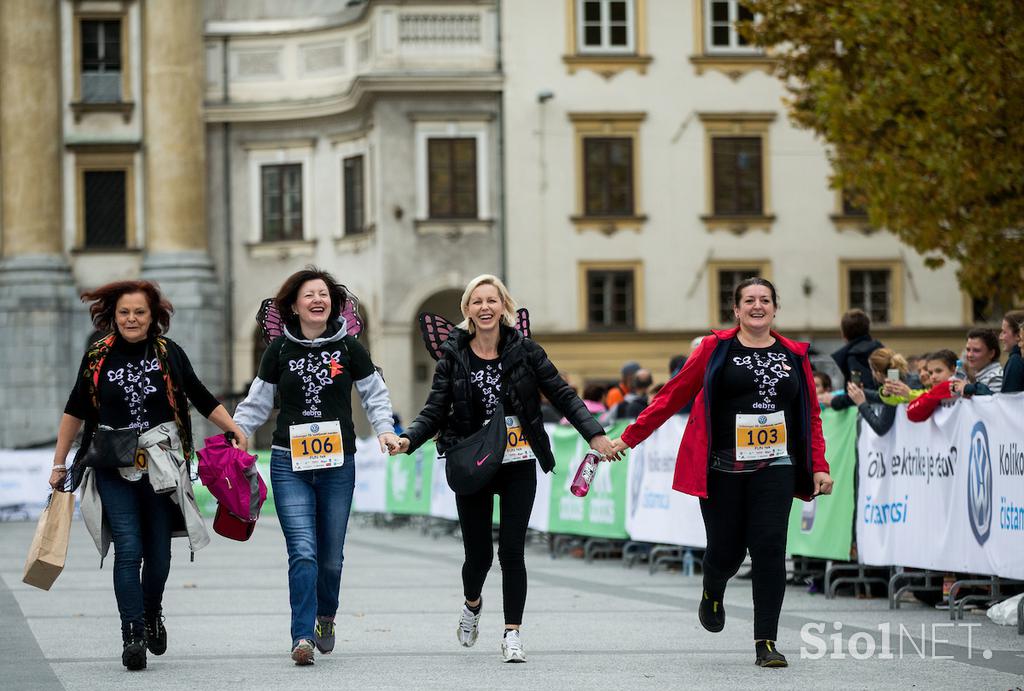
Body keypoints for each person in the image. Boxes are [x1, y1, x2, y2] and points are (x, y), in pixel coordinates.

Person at [607, 278, 831, 668]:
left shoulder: (794, 354)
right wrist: (628, 438)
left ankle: (766, 642)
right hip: (723, 467)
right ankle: (714, 586)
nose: (757, 306)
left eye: (765, 300)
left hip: (776, 465)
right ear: (736, 309)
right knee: (727, 551)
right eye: (749, 300)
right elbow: (672, 395)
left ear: (775, 308)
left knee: (769, 548)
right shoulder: (716, 349)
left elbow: (810, 413)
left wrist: (820, 466)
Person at [392, 274, 616, 663]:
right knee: (478, 556)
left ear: (504, 306)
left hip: (517, 461)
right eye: (476, 301)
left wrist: (594, 434)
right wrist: (409, 439)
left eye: (492, 300)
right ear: (467, 310)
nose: (485, 308)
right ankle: (472, 603)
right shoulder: (452, 355)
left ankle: (513, 633)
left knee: (512, 552)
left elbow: (562, 394)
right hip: (473, 462)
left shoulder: (526, 351)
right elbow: (435, 408)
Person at [49, 280, 247, 671]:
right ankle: (133, 633)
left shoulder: (168, 354)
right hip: (112, 465)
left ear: (154, 316)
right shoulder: (97, 357)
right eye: (124, 312)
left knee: (158, 554)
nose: (131, 319)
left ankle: (152, 610)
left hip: (163, 466)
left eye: (139, 312)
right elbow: (74, 409)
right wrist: (59, 464)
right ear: (113, 316)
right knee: (128, 549)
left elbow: (199, 394)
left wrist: (233, 427)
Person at [233, 267, 400, 665]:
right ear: (294, 305)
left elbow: (374, 392)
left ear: (333, 303)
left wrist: (384, 430)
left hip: (338, 462)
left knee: (331, 556)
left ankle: (326, 616)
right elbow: (258, 401)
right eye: (308, 294)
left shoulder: (348, 347)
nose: (317, 300)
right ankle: (302, 636)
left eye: (323, 294)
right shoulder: (279, 351)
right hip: (289, 462)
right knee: (303, 551)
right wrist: (236, 431)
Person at [846, 348, 914, 436]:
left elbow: (881, 428)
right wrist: (862, 392)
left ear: (878, 373)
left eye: (872, 370)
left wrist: (861, 403)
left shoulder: (893, 389)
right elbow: (881, 397)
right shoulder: (906, 379)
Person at [830, 309, 884, 399]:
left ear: (844, 334)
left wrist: (834, 401)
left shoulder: (855, 356)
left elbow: (857, 391)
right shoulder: (881, 350)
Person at [906, 349, 967, 422]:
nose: (933, 376)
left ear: (953, 370)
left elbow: (952, 387)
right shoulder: (938, 391)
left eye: (938, 371)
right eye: (931, 373)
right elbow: (913, 415)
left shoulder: (954, 385)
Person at [963, 328, 1003, 393]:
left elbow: (994, 402)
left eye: (976, 350)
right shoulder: (982, 375)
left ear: (991, 353)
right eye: (968, 350)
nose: (970, 355)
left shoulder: (996, 378)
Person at [999, 310, 1024, 393]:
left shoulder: (1015, 361)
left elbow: (1007, 400)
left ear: (1018, 335)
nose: (1000, 337)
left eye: (1004, 332)